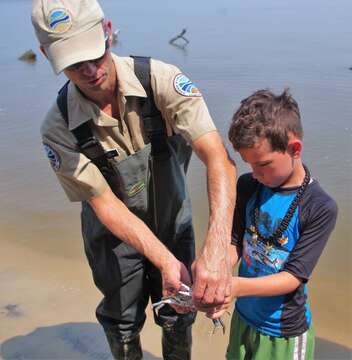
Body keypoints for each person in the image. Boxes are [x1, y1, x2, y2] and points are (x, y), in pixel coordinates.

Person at [31, 0, 236, 359]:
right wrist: (164, 261)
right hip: (112, 238)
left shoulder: (163, 81)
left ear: (108, 31)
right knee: (121, 321)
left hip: (173, 221)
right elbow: (105, 205)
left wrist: (216, 249)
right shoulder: (58, 128)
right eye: (75, 64)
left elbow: (217, 157)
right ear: (46, 54)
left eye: (96, 54)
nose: (92, 70)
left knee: (177, 313)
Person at [207, 89, 338, 360]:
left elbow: (293, 277)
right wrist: (217, 279)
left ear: (294, 149)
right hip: (243, 317)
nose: (255, 173)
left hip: (284, 331)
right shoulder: (248, 186)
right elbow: (234, 244)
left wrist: (233, 287)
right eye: (248, 164)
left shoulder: (320, 207)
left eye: (263, 164)